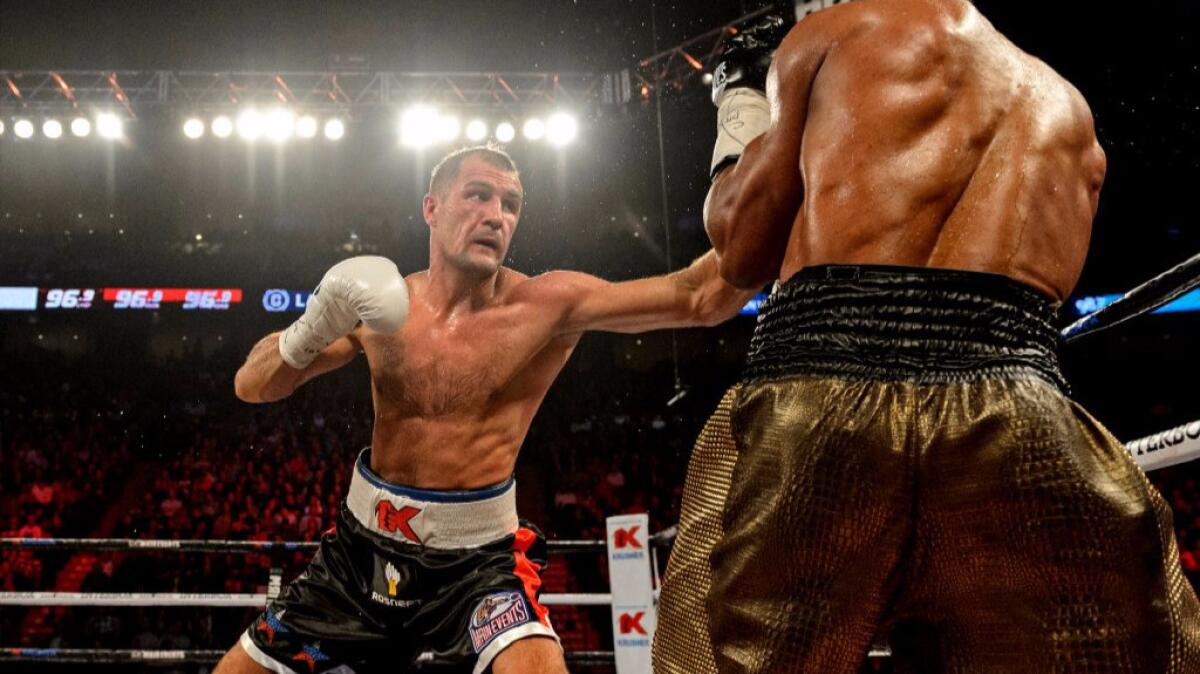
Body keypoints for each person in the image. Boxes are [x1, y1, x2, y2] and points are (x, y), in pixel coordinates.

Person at [653, 2, 1200, 673]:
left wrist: (740, 104)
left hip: (822, 405)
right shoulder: (1070, 111)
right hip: (1027, 421)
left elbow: (739, 249)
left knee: (707, 648)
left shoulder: (832, 36)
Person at [213, 145, 755, 674]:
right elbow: (252, 385)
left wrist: (762, 164)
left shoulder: (547, 305)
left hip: (479, 565)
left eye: (510, 204)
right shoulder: (382, 308)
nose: (496, 215)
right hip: (360, 557)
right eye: (478, 195)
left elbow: (701, 297)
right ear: (432, 207)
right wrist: (313, 324)